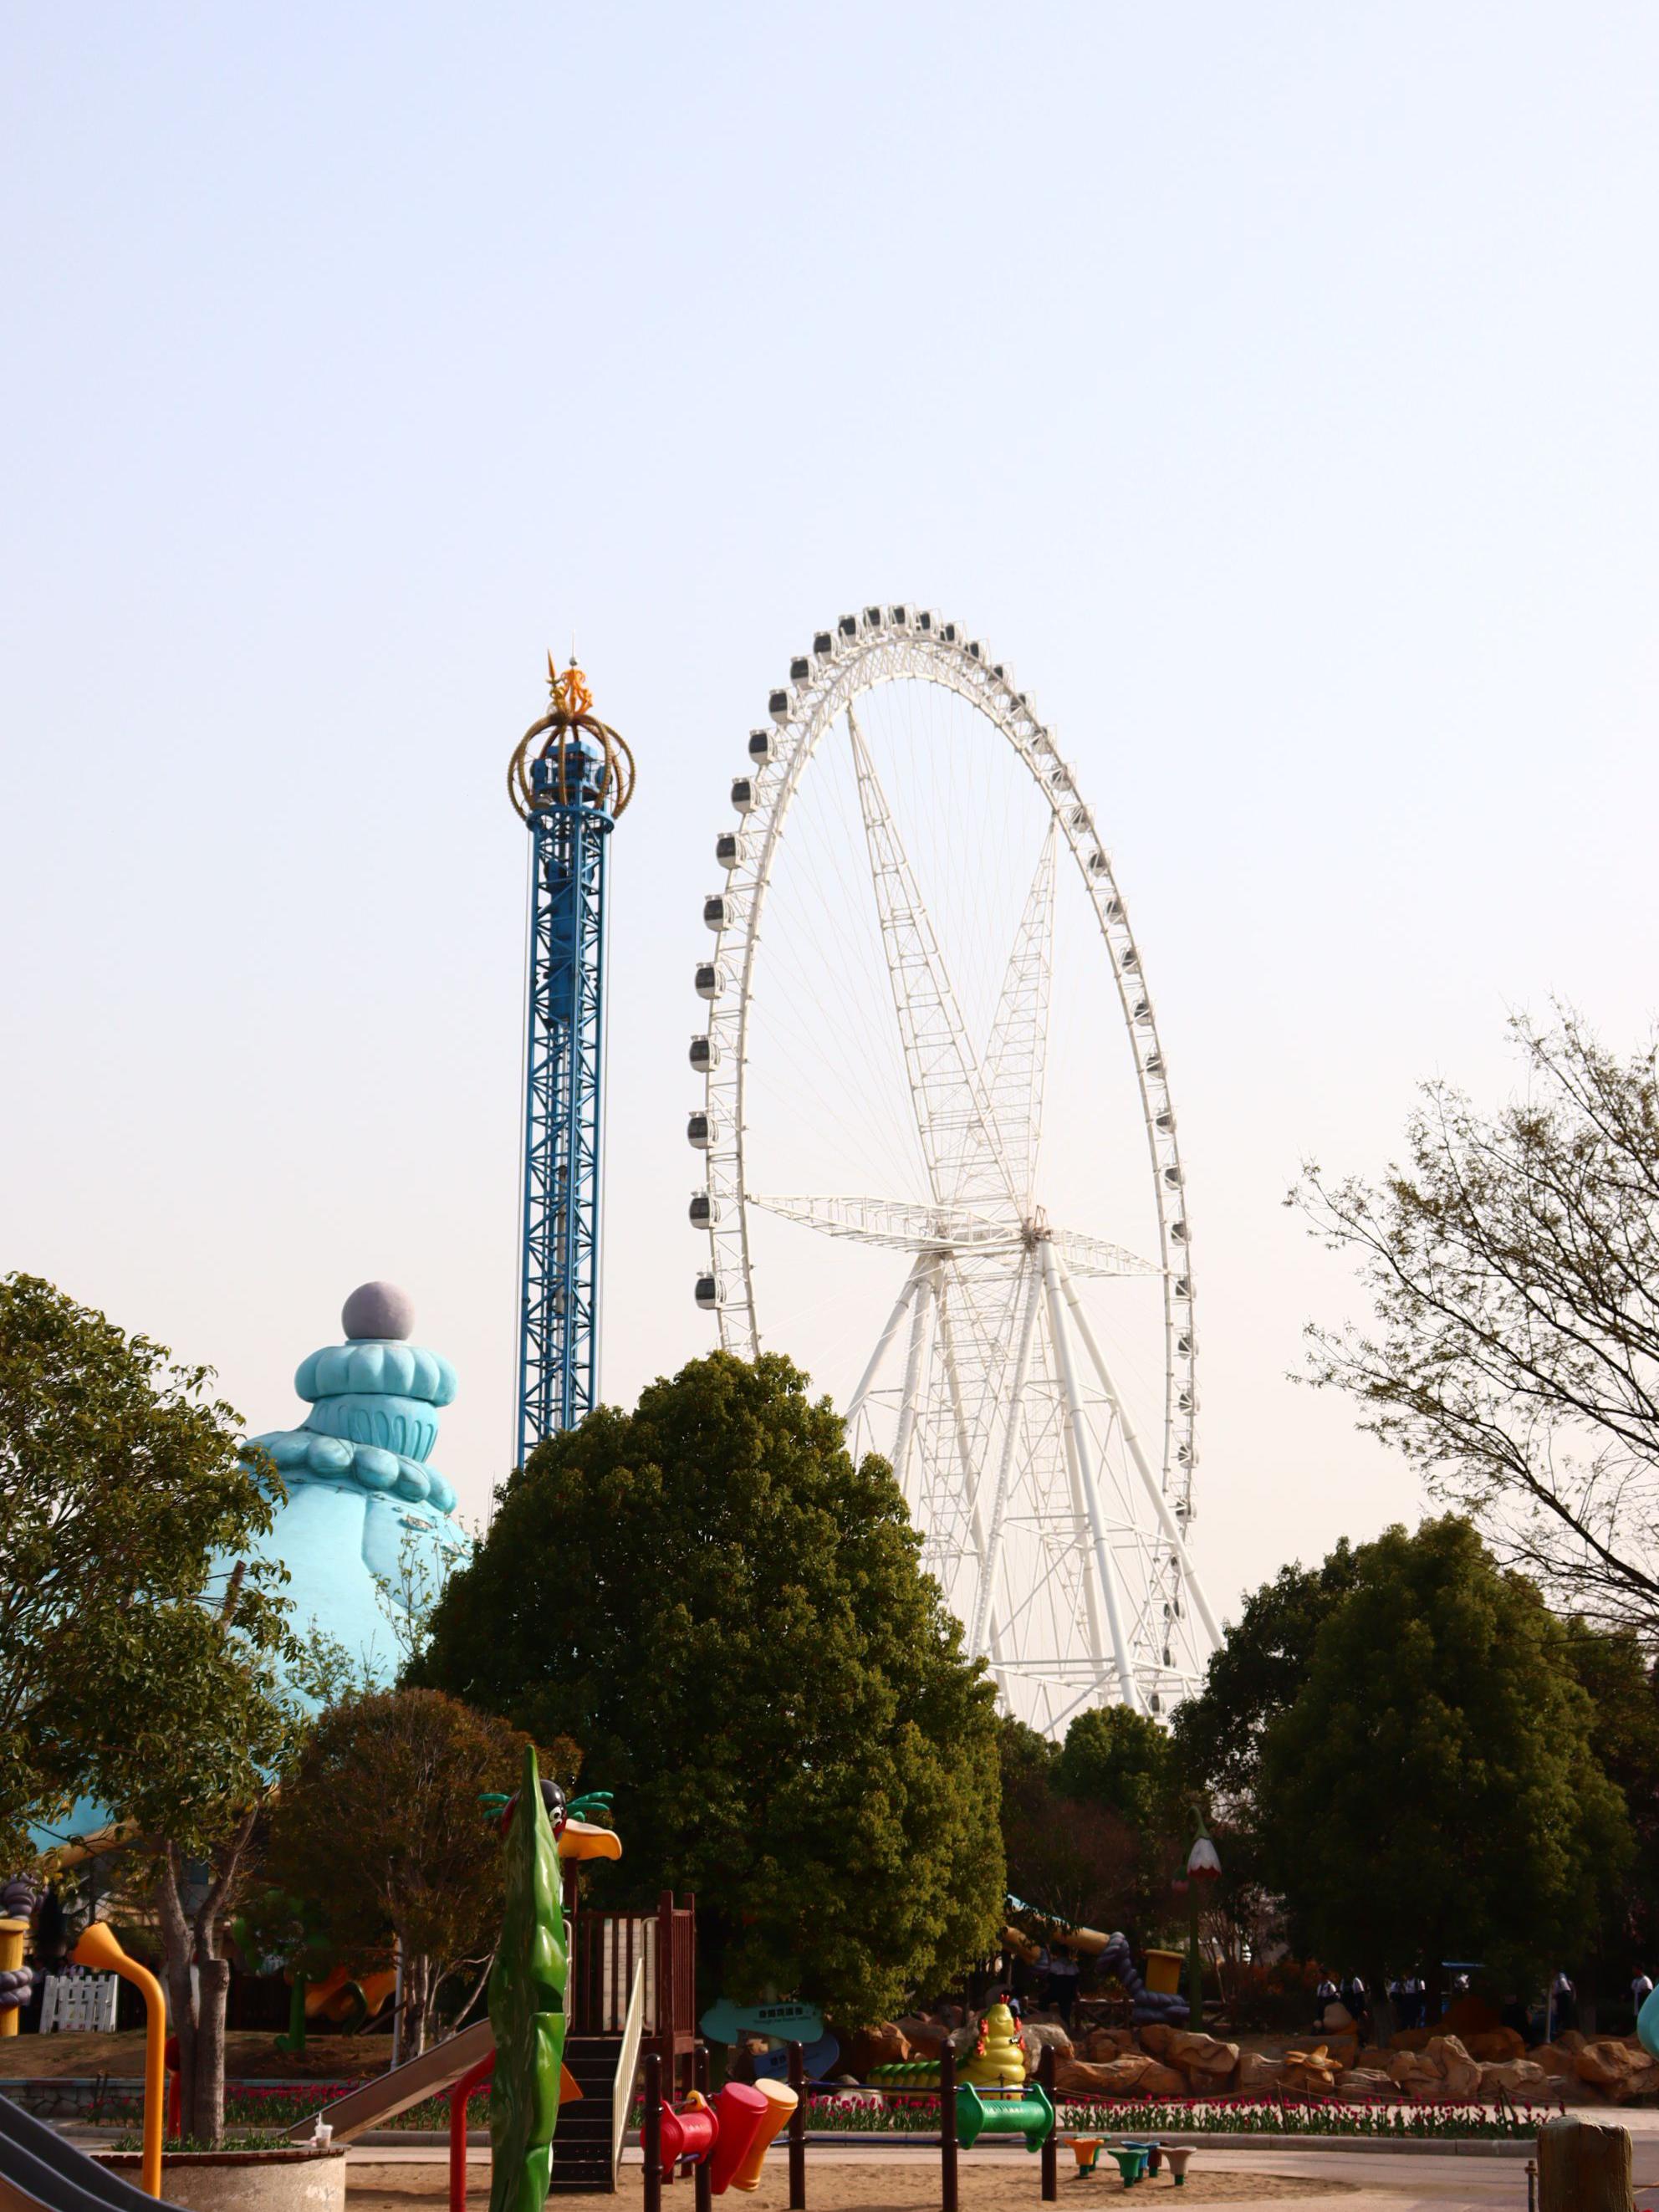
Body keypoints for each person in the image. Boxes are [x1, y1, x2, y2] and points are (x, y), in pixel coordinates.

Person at [1046, 1944, 1080, 2028]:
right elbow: (1077, 1981)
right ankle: (1067, 2027)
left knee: (1043, 2000)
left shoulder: (1055, 1965)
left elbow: (1049, 1980)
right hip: (1069, 1993)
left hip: (1056, 1992)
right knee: (1066, 2013)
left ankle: (1045, 2020)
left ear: (1059, 1953)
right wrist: (1076, 1993)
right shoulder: (1073, 1965)